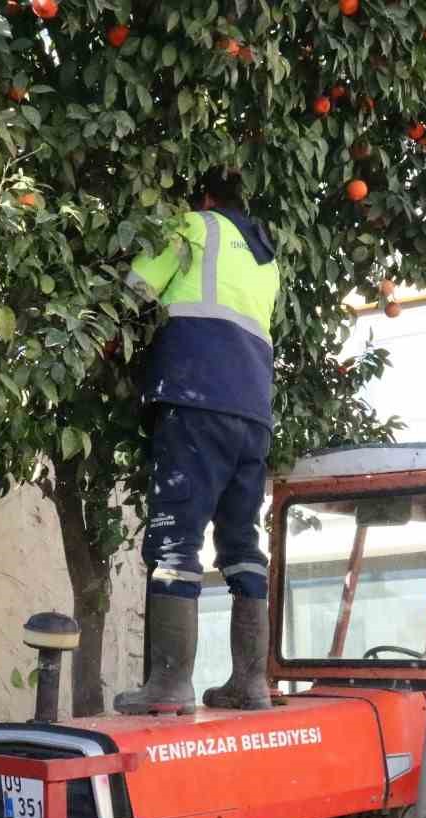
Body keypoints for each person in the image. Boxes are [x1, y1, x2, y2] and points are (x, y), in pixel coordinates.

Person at [112, 170, 281, 714]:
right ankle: (250, 684)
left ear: (205, 198)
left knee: (175, 540)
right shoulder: (267, 259)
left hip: (195, 397)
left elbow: (134, 290)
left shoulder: (193, 225)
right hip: (253, 412)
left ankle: (169, 685)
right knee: (242, 544)